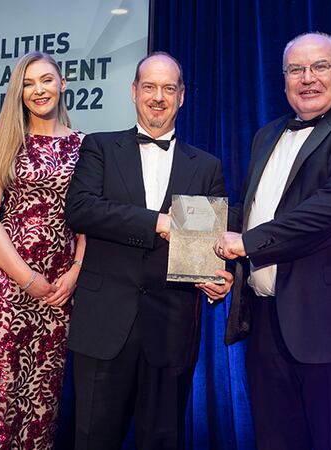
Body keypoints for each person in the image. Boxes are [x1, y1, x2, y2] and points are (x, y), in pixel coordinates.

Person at [214, 32, 331, 449]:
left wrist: (246, 243)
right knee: (274, 439)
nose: (307, 78)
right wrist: (200, 236)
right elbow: (257, 208)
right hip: (266, 322)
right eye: (296, 69)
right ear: (283, 80)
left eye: (320, 67)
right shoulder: (267, 135)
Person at [64, 51, 232, 450]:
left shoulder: (206, 165)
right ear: (134, 92)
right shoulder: (100, 148)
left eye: (168, 88)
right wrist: (157, 222)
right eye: (150, 87)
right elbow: (82, 209)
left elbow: (212, 243)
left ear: (182, 96)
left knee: (163, 440)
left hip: (171, 328)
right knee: (92, 439)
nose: (158, 97)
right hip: (104, 325)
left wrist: (218, 276)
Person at [0, 51, 85, 450]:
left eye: (46, 80)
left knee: (40, 403)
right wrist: (27, 278)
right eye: (28, 84)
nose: (38, 90)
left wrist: (75, 271)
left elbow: (90, 221)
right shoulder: (5, 142)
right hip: (5, 290)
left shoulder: (86, 147)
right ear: (18, 92)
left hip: (57, 293)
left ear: (62, 84)